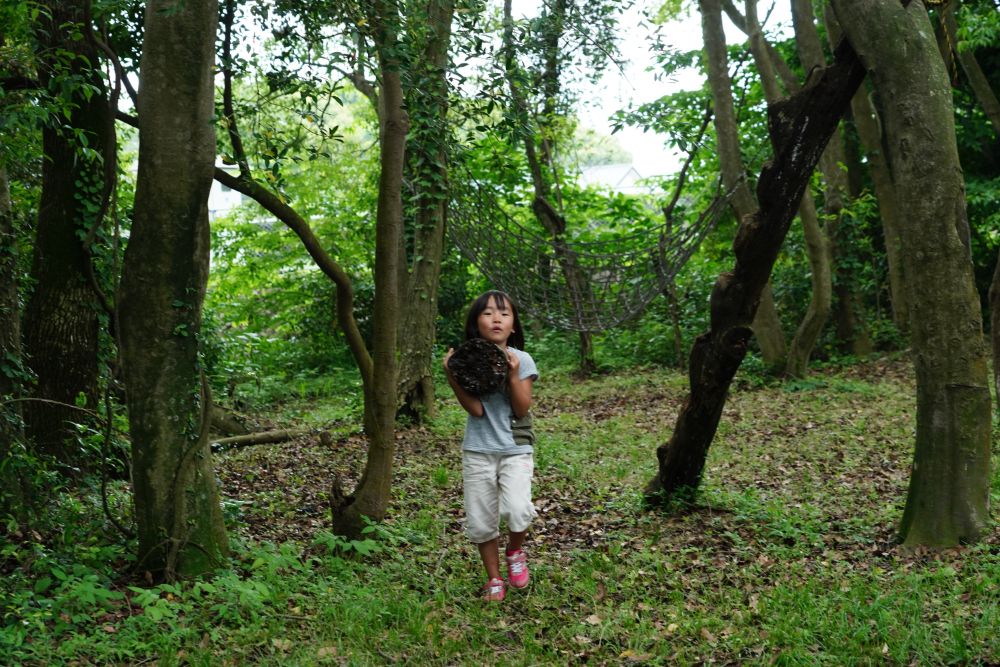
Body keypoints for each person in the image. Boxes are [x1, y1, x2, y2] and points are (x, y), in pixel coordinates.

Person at [443, 290, 539, 602]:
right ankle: (495, 580)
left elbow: (522, 409)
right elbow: (476, 410)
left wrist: (512, 374)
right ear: (476, 323)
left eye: (504, 313)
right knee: (481, 519)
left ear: (513, 325)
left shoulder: (522, 359)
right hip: (478, 449)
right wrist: (452, 375)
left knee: (518, 509)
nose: (496, 319)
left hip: (515, 449)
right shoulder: (468, 360)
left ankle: (514, 551)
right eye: (487, 313)